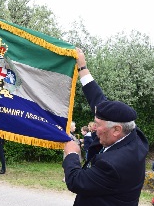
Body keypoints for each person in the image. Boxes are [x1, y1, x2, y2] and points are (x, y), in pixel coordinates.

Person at [62, 48, 149, 205]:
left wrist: (72, 154)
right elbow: (98, 99)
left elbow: (76, 181)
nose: (93, 128)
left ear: (116, 130)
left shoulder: (113, 164)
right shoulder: (130, 130)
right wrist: (82, 67)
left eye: (97, 125)